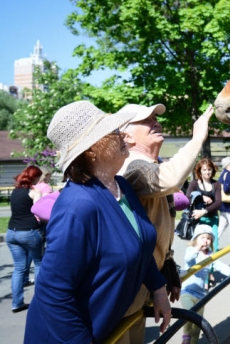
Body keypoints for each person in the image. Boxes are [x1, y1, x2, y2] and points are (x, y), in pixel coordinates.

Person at [24, 101, 171, 343]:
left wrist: (158, 290)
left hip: (105, 328)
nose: (123, 132)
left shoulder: (121, 186)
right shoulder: (78, 205)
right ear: (91, 150)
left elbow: (140, 247)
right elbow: (53, 293)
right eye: (114, 131)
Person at [116, 103, 214, 343]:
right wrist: (197, 138)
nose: (156, 123)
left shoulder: (151, 163)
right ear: (125, 135)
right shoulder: (132, 166)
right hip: (127, 283)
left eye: (155, 119)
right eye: (146, 120)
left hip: (146, 276)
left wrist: (166, 262)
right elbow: (169, 178)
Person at [180, 225, 230, 344]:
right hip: (187, 291)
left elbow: (220, 266)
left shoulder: (210, 256)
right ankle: (186, 338)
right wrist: (197, 249)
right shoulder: (191, 251)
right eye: (202, 237)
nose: (205, 240)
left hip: (201, 295)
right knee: (188, 316)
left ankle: (194, 342)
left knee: (198, 323)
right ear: (195, 239)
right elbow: (188, 259)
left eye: (208, 238)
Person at [6, 165, 43, 313]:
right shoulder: (34, 192)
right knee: (39, 263)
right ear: (35, 177)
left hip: (11, 232)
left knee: (19, 268)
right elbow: (39, 211)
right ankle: (41, 301)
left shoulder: (14, 192)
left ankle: (17, 303)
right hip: (29, 232)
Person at [186, 158, 222, 252]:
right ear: (200, 171)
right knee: (198, 247)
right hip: (198, 220)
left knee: (214, 247)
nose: (207, 172)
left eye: (209, 169)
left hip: (212, 219)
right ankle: (198, 266)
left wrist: (204, 211)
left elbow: (218, 202)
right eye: (204, 170)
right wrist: (201, 197)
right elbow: (188, 199)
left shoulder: (216, 184)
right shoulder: (194, 184)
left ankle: (212, 266)